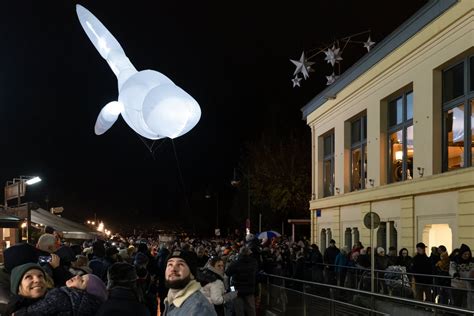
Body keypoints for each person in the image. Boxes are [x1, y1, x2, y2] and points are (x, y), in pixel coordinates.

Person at [13, 273, 107, 315]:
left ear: (85, 292)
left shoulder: (63, 296)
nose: (77, 276)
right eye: (82, 276)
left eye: (82, 281)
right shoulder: (90, 308)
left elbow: (41, 308)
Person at [163, 250, 216, 315]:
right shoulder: (171, 298)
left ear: (192, 274)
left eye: (180, 264)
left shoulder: (199, 309)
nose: (173, 269)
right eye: (170, 264)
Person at [226, 246, 258, 316]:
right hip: (250, 289)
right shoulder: (254, 262)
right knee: (251, 309)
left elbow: (227, 273)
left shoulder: (235, 262)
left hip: (236, 289)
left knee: (239, 309)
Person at [449, 244, 474, 308]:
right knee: (457, 303)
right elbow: (452, 269)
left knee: (468, 303)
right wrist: (455, 274)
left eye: (468, 254)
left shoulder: (471, 261)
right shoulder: (455, 260)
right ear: (461, 254)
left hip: (468, 286)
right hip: (457, 286)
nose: (467, 256)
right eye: (465, 254)